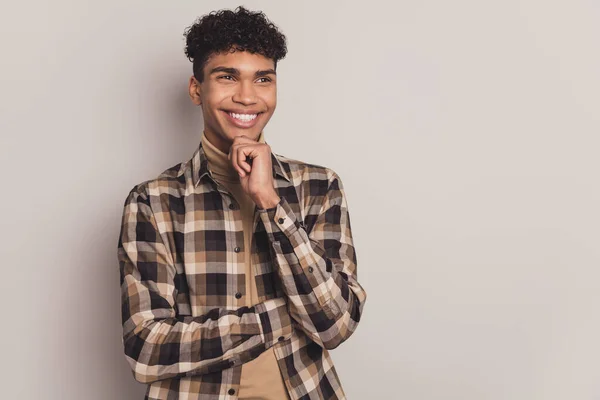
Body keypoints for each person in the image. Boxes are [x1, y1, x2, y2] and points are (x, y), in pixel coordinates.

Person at [117, 6, 367, 399]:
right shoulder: (154, 201)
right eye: (227, 76)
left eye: (263, 79)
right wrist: (272, 320)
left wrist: (270, 202)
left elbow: (334, 325)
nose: (247, 96)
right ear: (196, 88)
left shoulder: (319, 187)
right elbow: (146, 349)